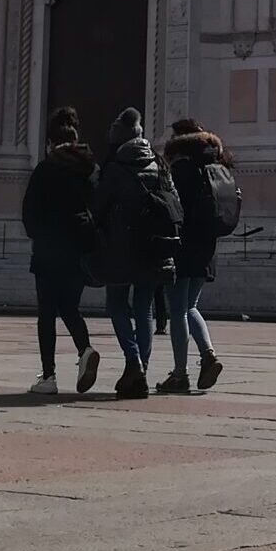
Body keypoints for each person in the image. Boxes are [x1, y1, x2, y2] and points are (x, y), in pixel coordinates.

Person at [92, 106, 180, 397]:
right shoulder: (160, 164)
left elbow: (98, 208)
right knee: (145, 307)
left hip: (122, 249)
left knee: (116, 304)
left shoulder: (116, 169)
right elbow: (175, 205)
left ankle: (134, 362)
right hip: (155, 247)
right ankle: (141, 365)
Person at [20, 105, 101, 396]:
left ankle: (49, 376)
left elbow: (29, 211)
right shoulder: (88, 171)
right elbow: (98, 208)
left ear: (51, 141)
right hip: (78, 250)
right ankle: (85, 349)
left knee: (46, 313)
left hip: (48, 251)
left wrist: (38, 234)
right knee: (69, 307)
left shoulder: (45, 169)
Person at [160, 117, 235, 393]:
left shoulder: (181, 170)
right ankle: (208, 355)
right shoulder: (215, 166)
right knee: (190, 306)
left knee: (178, 309)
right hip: (207, 248)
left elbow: (172, 209)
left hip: (182, 246)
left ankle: (180, 373)